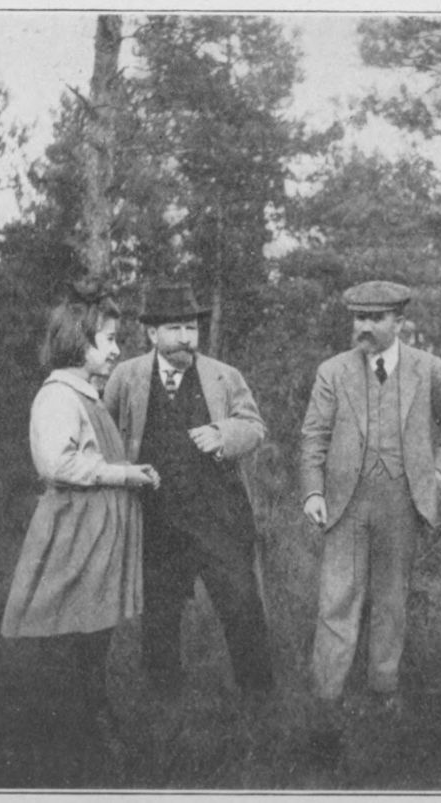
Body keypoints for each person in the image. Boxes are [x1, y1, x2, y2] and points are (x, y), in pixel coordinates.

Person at [300, 280, 441, 720]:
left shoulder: (427, 368)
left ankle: (383, 688)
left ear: (399, 322)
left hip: (402, 500)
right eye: (360, 317)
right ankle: (326, 697)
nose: (366, 327)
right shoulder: (333, 371)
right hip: (345, 501)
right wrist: (314, 491)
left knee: (391, 599)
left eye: (376, 319)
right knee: (337, 597)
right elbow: (314, 435)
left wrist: (437, 477)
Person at [2, 280, 160, 743]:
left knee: (93, 633)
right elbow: (57, 463)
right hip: (75, 531)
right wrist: (122, 475)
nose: (116, 350)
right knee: (70, 633)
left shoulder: (87, 393)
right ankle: (75, 730)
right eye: (107, 340)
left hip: (94, 531)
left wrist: (128, 472)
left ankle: (92, 718)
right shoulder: (57, 396)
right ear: (78, 341)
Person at [103, 280, 274, 697]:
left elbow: (254, 427)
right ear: (152, 333)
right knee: (160, 610)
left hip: (220, 516)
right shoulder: (126, 377)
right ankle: (164, 700)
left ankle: (259, 697)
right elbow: (107, 431)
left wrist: (223, 434)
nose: (186, 338)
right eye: (175, 328)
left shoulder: (224, 376)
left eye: (192, 328)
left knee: (241, 602)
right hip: (157, 517)